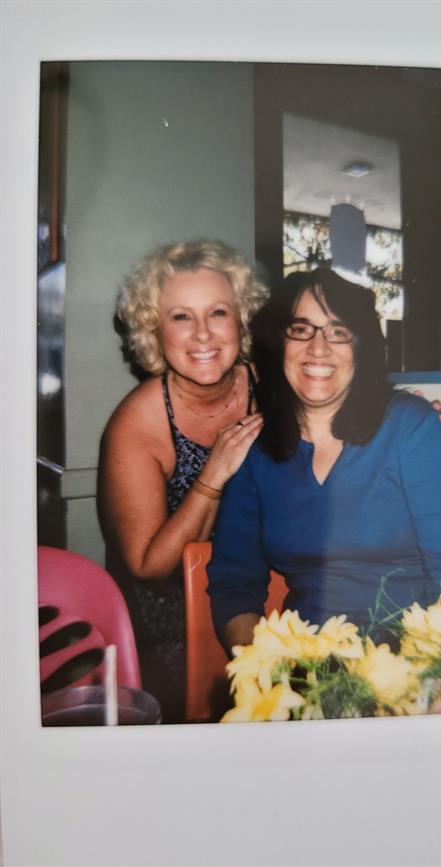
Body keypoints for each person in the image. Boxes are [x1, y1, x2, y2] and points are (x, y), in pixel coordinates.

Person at [207, 269, 441, 653]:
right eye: (301, 329)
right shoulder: (256, 452)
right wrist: (262, 672)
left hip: (413, 661)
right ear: (279, 343)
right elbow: (234, 580)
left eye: (338, 331)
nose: (319, 348)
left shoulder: (413, 427)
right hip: (307, 667)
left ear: (362, 348)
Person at [97, 240, 268, 722]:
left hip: (264, 590)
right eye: (180, 317)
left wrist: (418, 410)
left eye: (217, 312)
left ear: (240, 320)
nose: (202, 334)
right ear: (155, 328)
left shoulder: (273, 386)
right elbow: (149, 569)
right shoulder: (138, 422)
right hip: (167, 621)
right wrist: (212, 475)